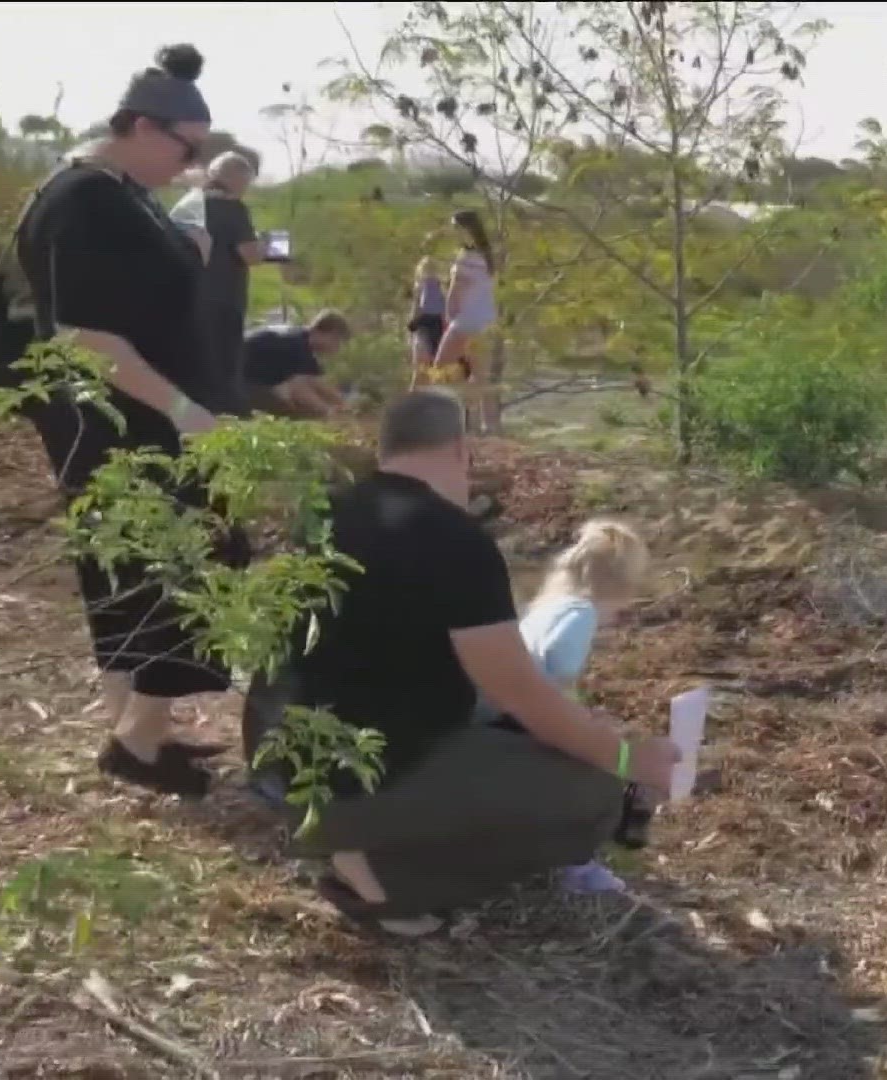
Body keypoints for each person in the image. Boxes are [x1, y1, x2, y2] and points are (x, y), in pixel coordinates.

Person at [280, 391, 677, 932]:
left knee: (526, 743)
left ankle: (355, 840)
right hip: (367, 779)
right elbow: (518, 689)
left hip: (288, 761)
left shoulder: (326, 512)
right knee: (597, 793)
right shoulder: (454, 538)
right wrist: (628, 760)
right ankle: (388, 879)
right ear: (462, 450)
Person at [11, 44, 243, 799]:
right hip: (121, 421)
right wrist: (183, 409)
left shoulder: (122, 191)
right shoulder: (81, 199)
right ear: (142, 125)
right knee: (191, 562)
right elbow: (82, 332)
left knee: (127, 573)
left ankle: (139, 735)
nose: (191, 165)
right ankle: (138, 737)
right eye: (187, 148)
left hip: (143, 417)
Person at [475, 518, 652, 895]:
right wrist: (580, 719)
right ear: (620, 586)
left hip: (502, 712)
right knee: (599, 766)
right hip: (523, 720)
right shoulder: (582, 614)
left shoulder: (549, 606)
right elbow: (559, 669)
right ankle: (580, 865)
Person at [171, 151, 261, 414]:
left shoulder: (189, 204)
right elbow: (250, 255)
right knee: (226, 361)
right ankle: (227, 417)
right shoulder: (233, 208)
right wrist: (264, 248)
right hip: (224, 297)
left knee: (196, 356)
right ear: (234, 179)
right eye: (245, 181)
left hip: (189, 293)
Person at [434, 210, 499, 431]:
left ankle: (448, 420)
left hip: (466, 320)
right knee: (482, 378)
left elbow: (454, 296)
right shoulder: (487, 256)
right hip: (487, 320)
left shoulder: (465, 259)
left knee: (441, 370)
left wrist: (448, 320)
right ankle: (488, 424)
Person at [239, 310, 350, 418]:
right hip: (238, 383)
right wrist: (329, 413)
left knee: (301, 405)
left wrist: (344, 405)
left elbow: (316, 382)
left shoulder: (301, 340)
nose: (337, 347)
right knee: (298, 412)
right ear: (320, 331)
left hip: (245, 380)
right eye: (336, 340)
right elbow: (298, 390)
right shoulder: (297, 345)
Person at [407, 256, 448, 389]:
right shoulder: (422, 287)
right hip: (427, 328)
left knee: (430, 372)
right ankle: (414, 405)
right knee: (422, 371)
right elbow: (416, 311)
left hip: (435, 328)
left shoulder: (440, 287)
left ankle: (423, 404)